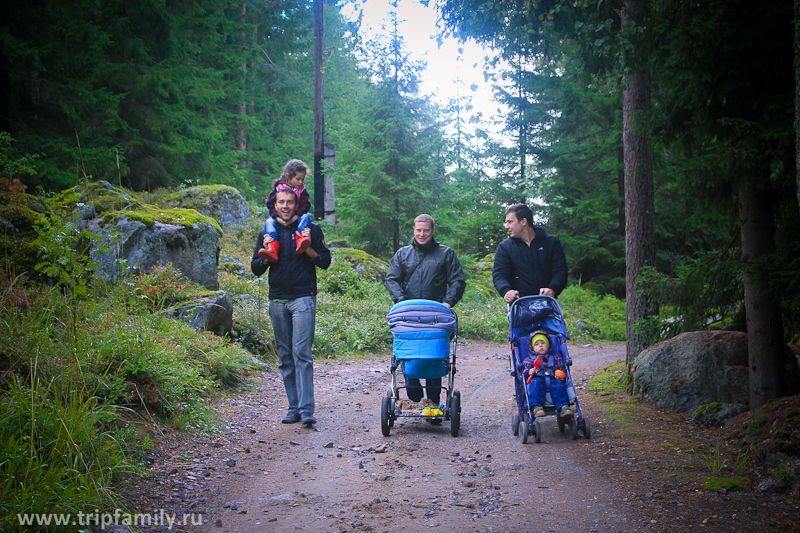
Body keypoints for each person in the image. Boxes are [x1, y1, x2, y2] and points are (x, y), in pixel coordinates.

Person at [251, 187, 331, 426]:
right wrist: (266, 253)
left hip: (303, 298)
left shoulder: (310, 229)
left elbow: (325, 261)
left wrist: (307, 248)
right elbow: (255, 268)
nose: (285, 206)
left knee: (302, 354)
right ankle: (293, 407)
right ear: (274, 205)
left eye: (289, 202)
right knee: (285, 357)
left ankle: (307, 410)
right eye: (281, 202)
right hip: (277, 300)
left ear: (297, 205)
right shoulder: (268, 232)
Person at [386, 214, 466, 414]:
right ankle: (414, 402)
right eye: (418, 230)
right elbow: (392, 279)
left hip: (435, 316)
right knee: (410, 356)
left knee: (433, 355)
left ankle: (432, 402)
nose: (422, 234)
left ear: (433, 230)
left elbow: (457, 280)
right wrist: (402, 302)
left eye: (426, 230)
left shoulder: (446, 254)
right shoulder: (403, 254)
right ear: (413, 230)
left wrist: (447, 303)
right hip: (409, 316)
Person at [492, 203, 568, 303]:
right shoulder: (505, 247)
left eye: (510, 222)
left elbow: (560, 270)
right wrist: (506, 291)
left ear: (523, 221)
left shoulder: (551, 243)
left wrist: (553, 289)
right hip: (519, 304)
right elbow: (499, 274)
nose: (506, 226)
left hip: (547, 303)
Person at [258, 159, 313, 263]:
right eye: (298, 179)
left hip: (297, 217)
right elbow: (270, 204)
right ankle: (272, 246)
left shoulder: (302, 190)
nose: (301, 182)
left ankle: (301, 239)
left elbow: (306, 205)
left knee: (307, 217)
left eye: (303, 179)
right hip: (279, 218)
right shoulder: (278, 188)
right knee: (269, 222)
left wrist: (296, 217)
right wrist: (278, 219)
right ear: (288, 176)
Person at [521, 331, 572, 418]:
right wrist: (529, 372)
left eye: (543, 343)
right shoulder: (529, 360)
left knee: (559, 385)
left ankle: (563, 406)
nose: (540, 345)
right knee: (535, 385)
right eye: (537, 344)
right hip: (538, 378)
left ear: (548, 345)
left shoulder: (555, 357)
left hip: (553, 378)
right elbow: (524, 371)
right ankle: (536, 407)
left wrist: (561, 373)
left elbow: (562, 368)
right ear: (532, 347)